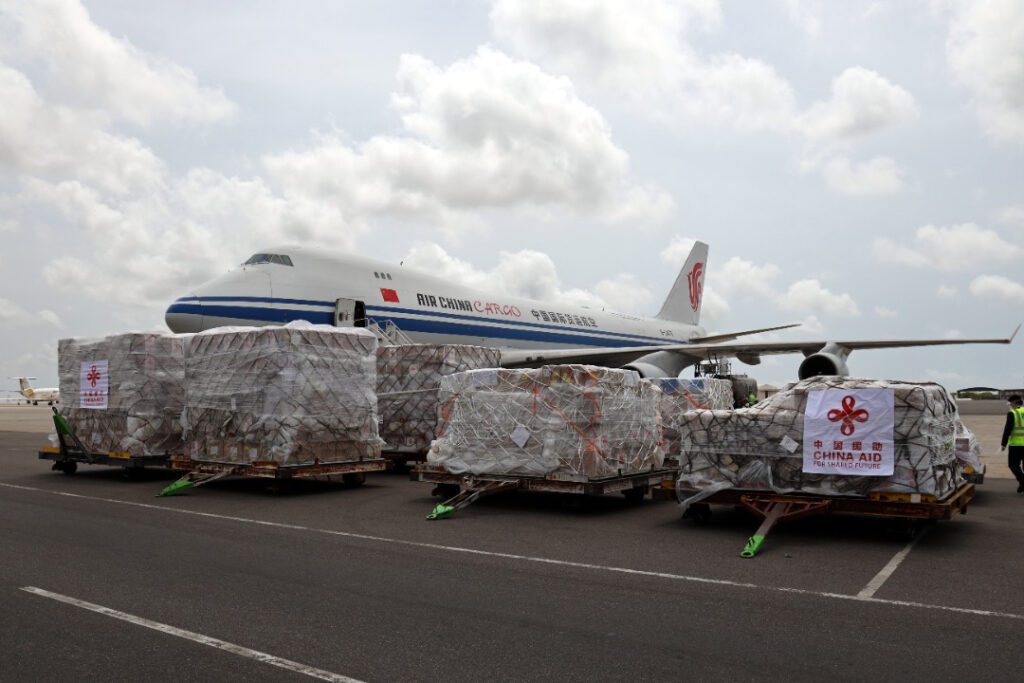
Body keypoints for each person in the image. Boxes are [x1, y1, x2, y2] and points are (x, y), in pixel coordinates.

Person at [1002, 394, 1024, 494]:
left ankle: (1023, 482)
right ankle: (1022, 485)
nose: (1010, 405)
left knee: (1013, 465)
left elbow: (1007, 430)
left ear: (1014, 402)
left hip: (1016, 444)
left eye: (1010, 403)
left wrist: (1003, 443)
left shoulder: (1013, 413)